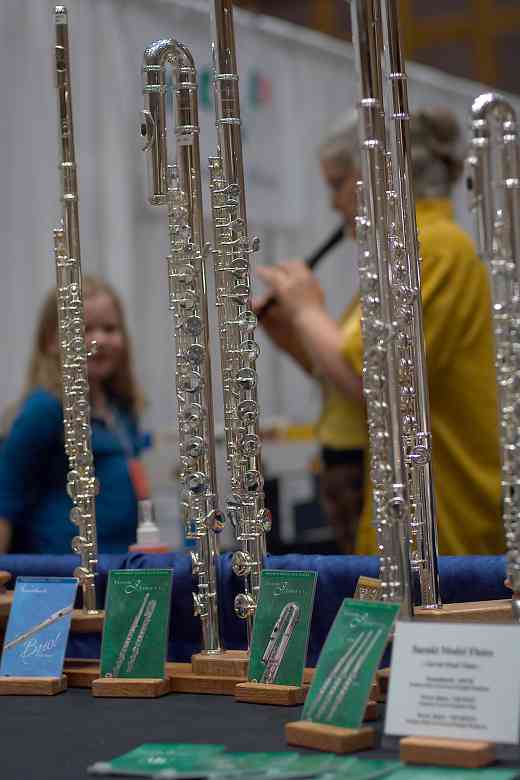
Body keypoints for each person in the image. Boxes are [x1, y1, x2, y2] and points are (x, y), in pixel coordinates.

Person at [255, 107, 502, 557]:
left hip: (442, 510)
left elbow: (375, 383)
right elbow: (347, 378)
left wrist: (309, 311)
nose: (333, 204)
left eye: (337, 184)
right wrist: (293, 332)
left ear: (378, 174)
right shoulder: (405, 251)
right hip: (386, 498)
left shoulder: (435, 247)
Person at [0, 276, 149, 554]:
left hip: (119, 570)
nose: (100, 340)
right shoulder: (44, 408)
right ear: (51, 341)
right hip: (61, 578)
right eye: (84, 328)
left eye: (110, 328)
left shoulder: (121, 407)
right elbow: (4, 502)